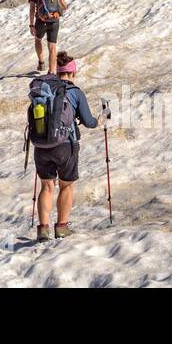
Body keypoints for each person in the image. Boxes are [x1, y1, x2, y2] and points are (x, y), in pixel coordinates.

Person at [34, 52, 99, 241]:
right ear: (72, 72)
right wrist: (98, 122)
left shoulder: (45, 89)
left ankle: (43, 229)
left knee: (46, 187)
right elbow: (88, 121)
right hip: (65, 145)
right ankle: (61, 227)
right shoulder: (75, 92)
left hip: (42, 145)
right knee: (66, 186)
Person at [28, 0, 66, 74]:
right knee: (52, 47)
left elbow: (32, 9)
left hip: (41, 21)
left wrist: (31, 25)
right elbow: (64, 5)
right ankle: (52, 72)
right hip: (54, 20)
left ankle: (41, 63)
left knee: (38, 40)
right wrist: (55, 12)